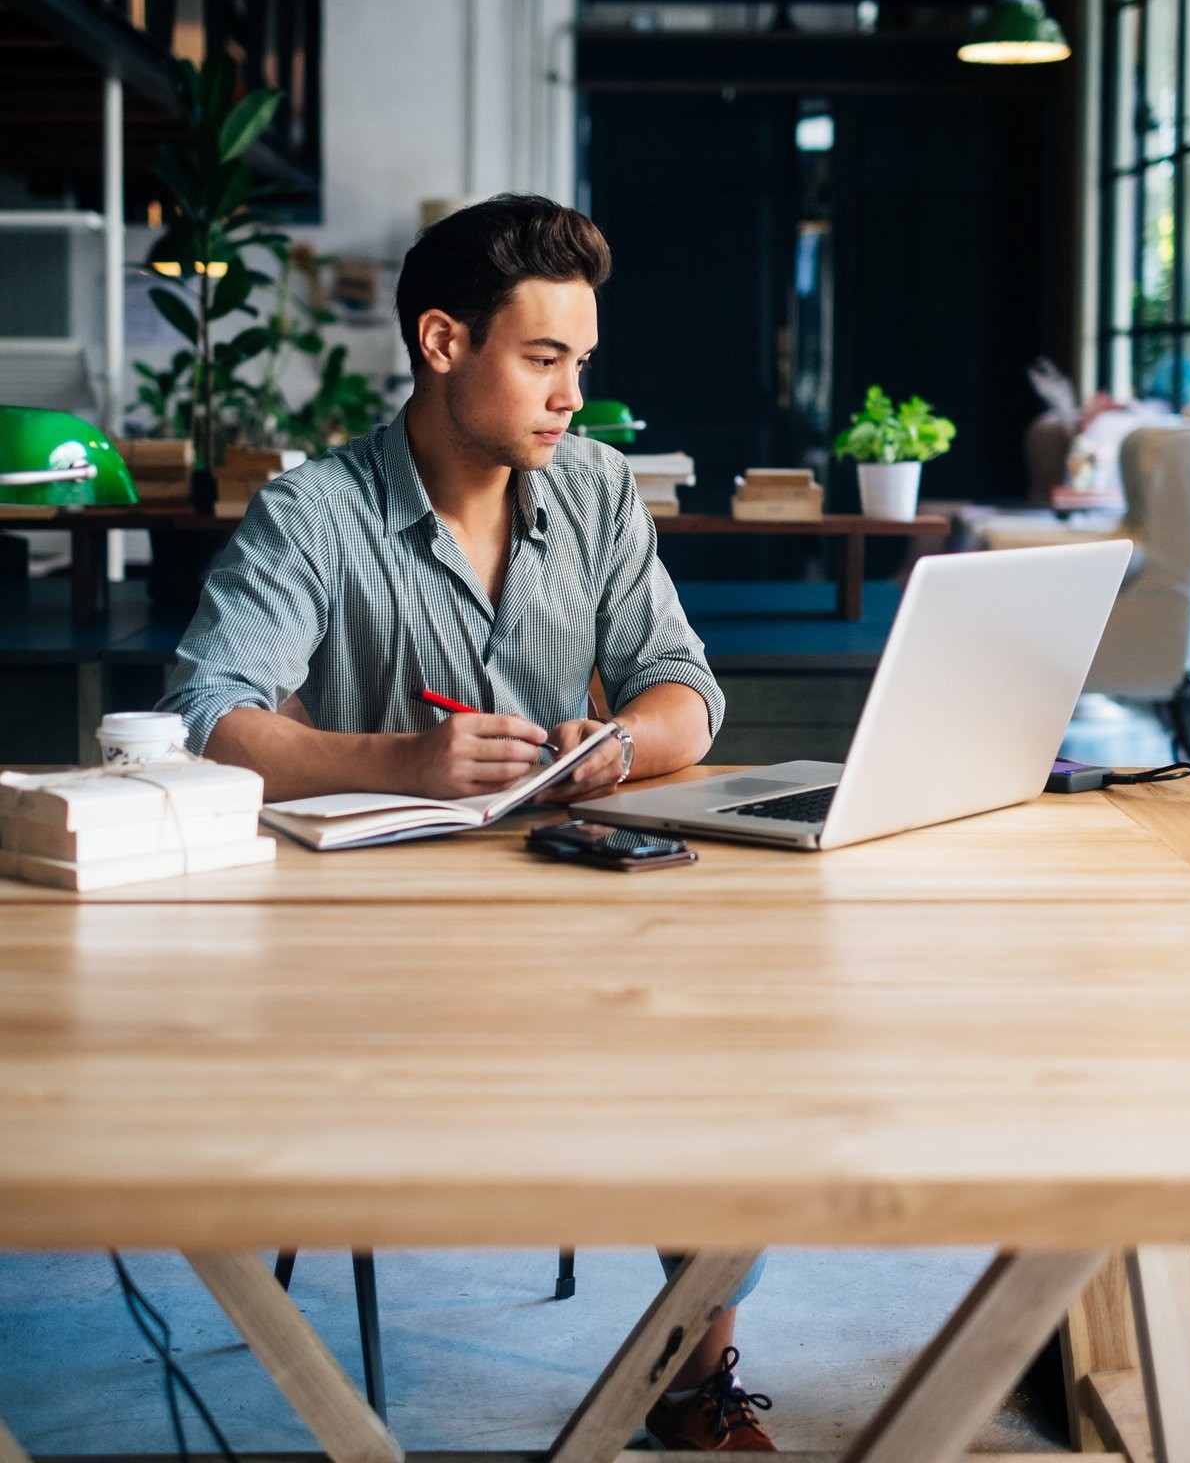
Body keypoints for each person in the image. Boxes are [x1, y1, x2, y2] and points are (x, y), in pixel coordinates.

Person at [159, 192, 773, 1451]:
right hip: (371, 944)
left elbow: (684, 690)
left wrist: (615, 743)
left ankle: (695, 1371)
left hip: (572, 900)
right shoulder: (313, 515)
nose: (569, 396)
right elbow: (209, 714)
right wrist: (401, 760)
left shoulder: (597, 491)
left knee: (735, 1044)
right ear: (444, 344)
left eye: (580, 364)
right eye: (542, 359)